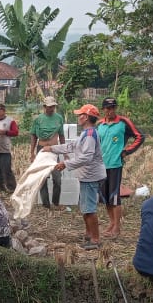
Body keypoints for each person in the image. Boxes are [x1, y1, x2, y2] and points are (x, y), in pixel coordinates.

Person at [45, 104, 106, 249]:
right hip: (86, 176)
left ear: (85, 117)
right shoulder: (86, 133)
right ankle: (89, 234)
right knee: (85, 207)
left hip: (90, 177)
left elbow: (86, 157)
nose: (78, 117)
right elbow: (70, 147)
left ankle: (95, 240)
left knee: (89, 209)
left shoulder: (90, 135)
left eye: (80, 115)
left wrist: (66, 164)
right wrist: (52, 148)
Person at [95, 97, 144, 238]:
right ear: (103, 109)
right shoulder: (100, 125)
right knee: (105, 197)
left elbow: (139, 136)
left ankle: (117, 226)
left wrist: (126, 151)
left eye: (113, 108)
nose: (110, 111)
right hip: (101, 165)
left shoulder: (123, 122)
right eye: (108, 108)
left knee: (114, 196)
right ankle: (111, 222)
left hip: (115, 164)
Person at [29, 96, 65, 208]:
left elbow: (61, 135)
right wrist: (32, 153)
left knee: (57, 178)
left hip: (54, 150)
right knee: (42, 178)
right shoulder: (38, 119)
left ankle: (56, 202)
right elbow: (34, 136)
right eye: (49, 107)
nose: (52, 109)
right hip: (42, 149)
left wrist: (64, 151)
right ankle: (46, 204)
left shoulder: (59, 118)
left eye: (53, 106)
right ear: (44, 107)